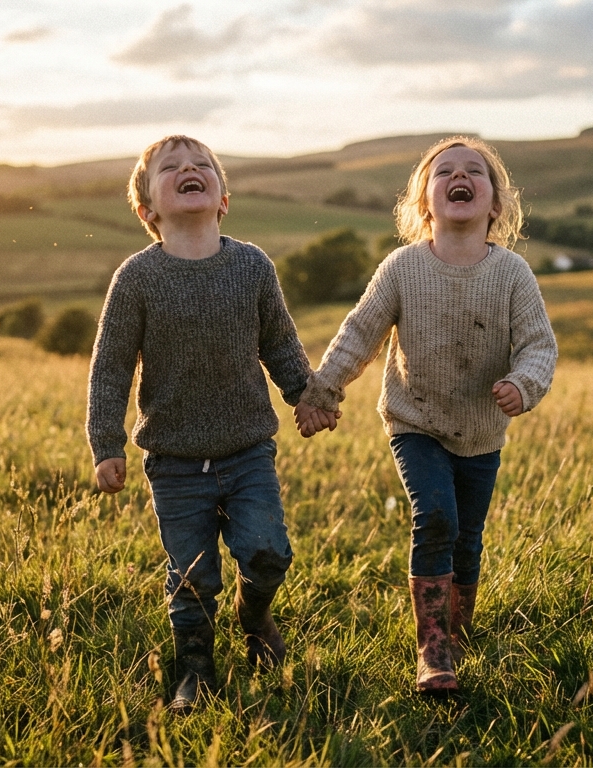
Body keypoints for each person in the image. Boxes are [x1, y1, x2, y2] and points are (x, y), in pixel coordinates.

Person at [295, 136, 557, 694]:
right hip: (414, 421)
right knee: (436, 516)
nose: (458, 177)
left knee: (467, 537)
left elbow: (539, 346)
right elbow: (358, 335)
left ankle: (458, 629)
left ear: (496, 205)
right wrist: (322, 392)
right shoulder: (402, 268)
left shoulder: (511, 275)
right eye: (444, 172)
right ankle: (433, 649)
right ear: (424, 204)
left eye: (474, 172)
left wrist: (522, 382)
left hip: (482, 430)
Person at [88, 135, 311, 713]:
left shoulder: (252, 266)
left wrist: (306, 396)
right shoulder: (137, 278)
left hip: (247, 452)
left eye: (202, 165)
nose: (190, 169)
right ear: (147, 211)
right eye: (171, 168)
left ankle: (254, 613)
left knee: (268, 552)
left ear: (223, 198)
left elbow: (280, 345)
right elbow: (110, 367)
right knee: (191, 576)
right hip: (174, 461)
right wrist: (105, 443)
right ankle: (195, 666)